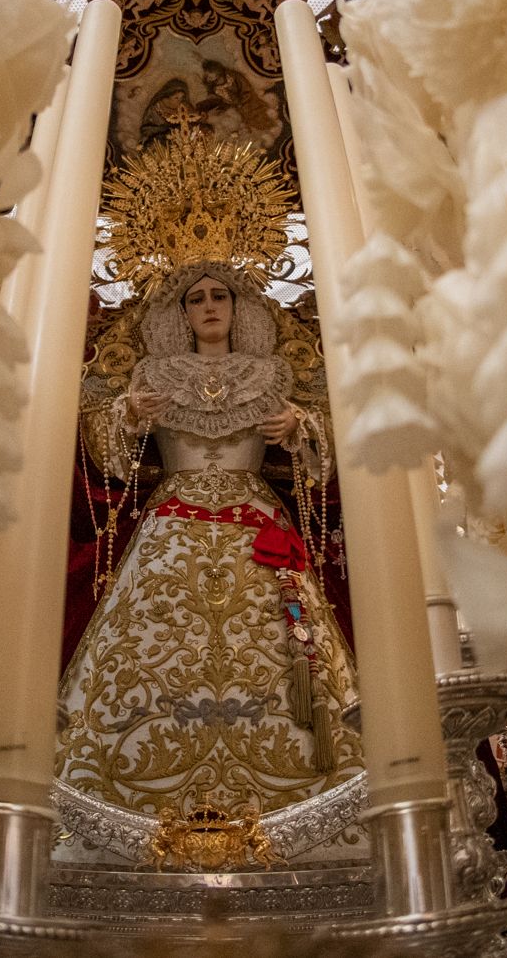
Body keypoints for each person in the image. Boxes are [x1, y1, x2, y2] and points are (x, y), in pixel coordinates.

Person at [56, 260, 361, 822]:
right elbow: (105, 458)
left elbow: (323, 460)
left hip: (259, 525)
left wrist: (301, 430)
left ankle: (307, 798)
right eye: (196, 299)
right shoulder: (151, 376)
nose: (210, 306)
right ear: (182, 313)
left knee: (289, 647)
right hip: (170, 527)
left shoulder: (271, 375)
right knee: (148, 655)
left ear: (238, 307)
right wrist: (125, 417)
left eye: (221, 295)